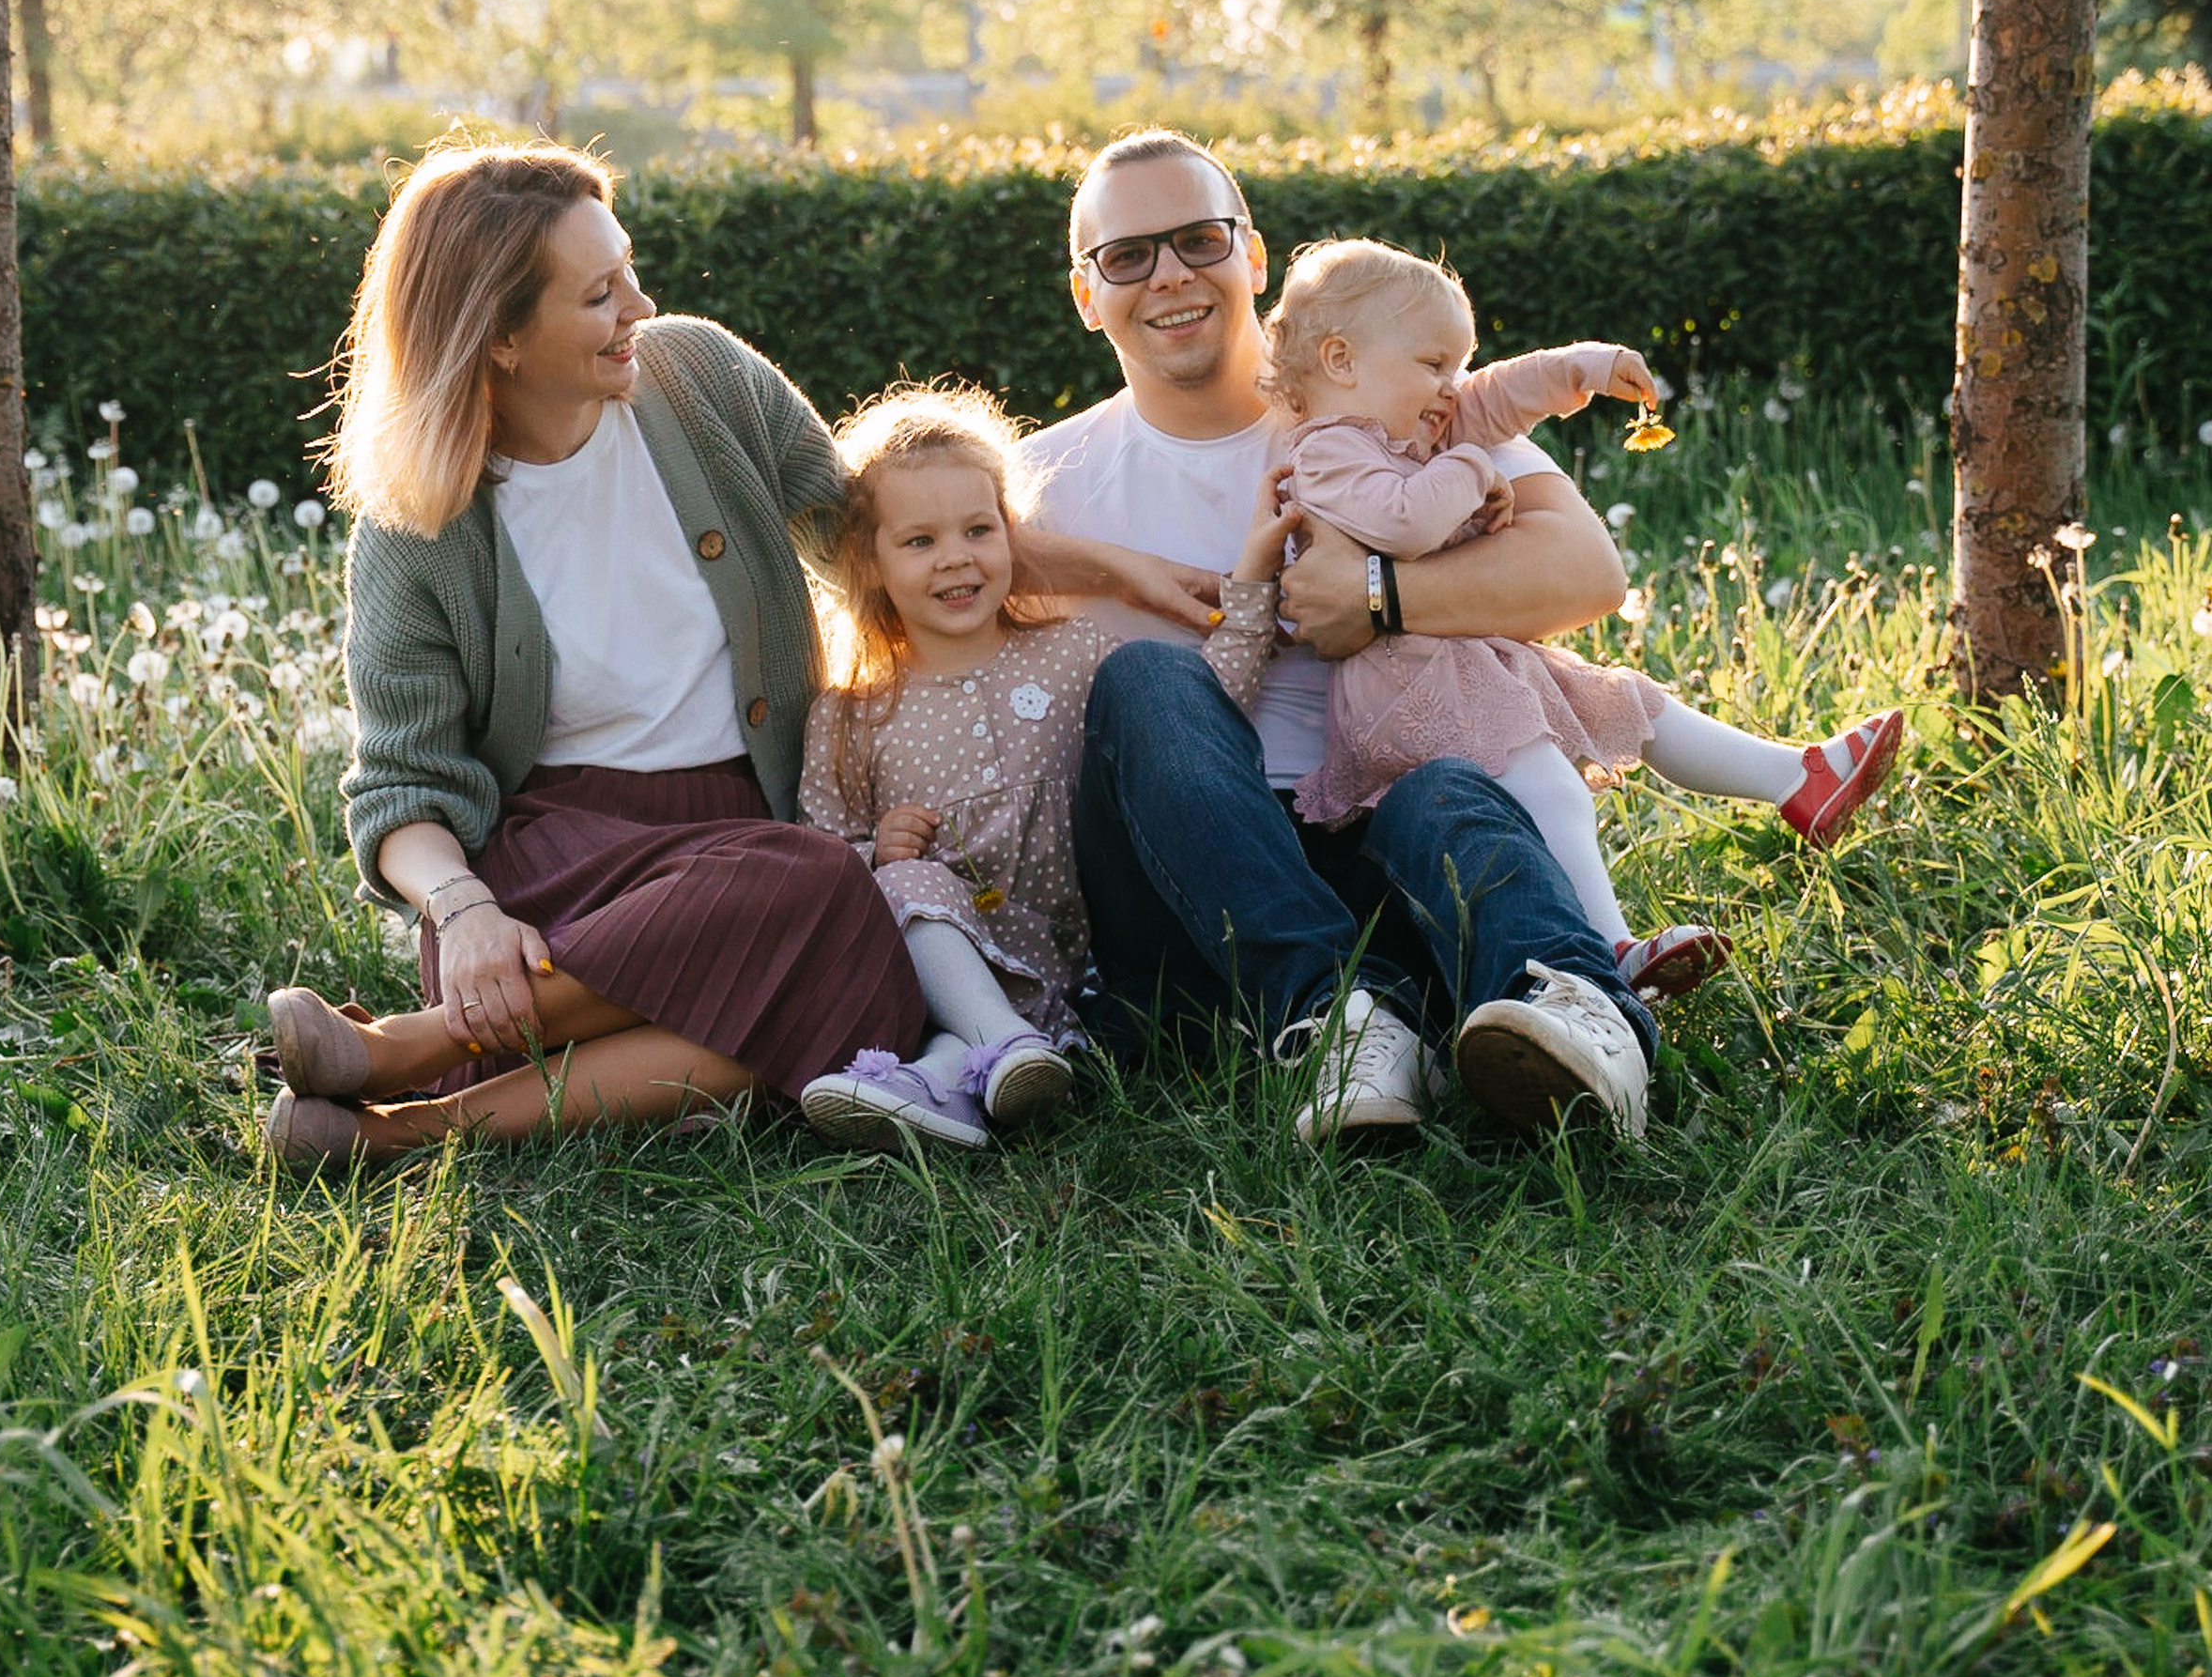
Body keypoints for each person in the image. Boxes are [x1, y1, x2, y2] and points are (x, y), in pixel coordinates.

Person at [263, 138, 1204, 1166]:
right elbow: (401, 787)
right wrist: (465, 909)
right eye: (598, 294)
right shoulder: (419, 526)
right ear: (499, 337)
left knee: (846, 958)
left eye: (627, 268)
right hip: (545, 868)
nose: (639, 307)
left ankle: (412, 1097)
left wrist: (1111, 572)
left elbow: (873, 532)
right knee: (817, 941)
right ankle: (463, 1044)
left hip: (742, 838)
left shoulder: (699, 377)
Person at [1020, 130, 1667, 1148]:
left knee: (1445, 790)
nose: (1169, 276)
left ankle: (1581, 1020)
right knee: (1147, 677)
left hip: (1384, 839)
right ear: (1085, 294)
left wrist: (1378, 594)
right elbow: (871, 556)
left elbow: (1588, 574)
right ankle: (1338, 1016)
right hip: (1193, 890)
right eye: (1127, 255)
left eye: (1197, 239)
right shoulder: (1035, 481)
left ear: (1253, 256)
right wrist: (1109, 570)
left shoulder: (1393, 405)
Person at [1237, 237, 1904, 989]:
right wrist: (1471, 467)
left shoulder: (1417, 428)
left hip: (1459, 663)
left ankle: (1798, 779)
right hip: (1405, 696)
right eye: (1433, 367)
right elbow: (1404, 522)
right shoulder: (1327, 451)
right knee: (1551, 787)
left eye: (1455, 366)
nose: (1452, 388)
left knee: (1634, 702)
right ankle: (1611, 948)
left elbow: (1497, 394)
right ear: (1340, 361)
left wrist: (1585, 365)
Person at [795, 382, 1275, 1156]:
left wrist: (1252, 584)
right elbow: (823, 858)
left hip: (1100, 961)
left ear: (1012, 538)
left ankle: (961, 1073)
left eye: (979, 530)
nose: (956, 557)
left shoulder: (1070, 652)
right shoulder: (850, 714)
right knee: (909, 885)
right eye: (919, 542)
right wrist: (877, 849)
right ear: (870, 562)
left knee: (999, 1034)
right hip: (959, 966)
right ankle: (995, 1052)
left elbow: (1195, 713)